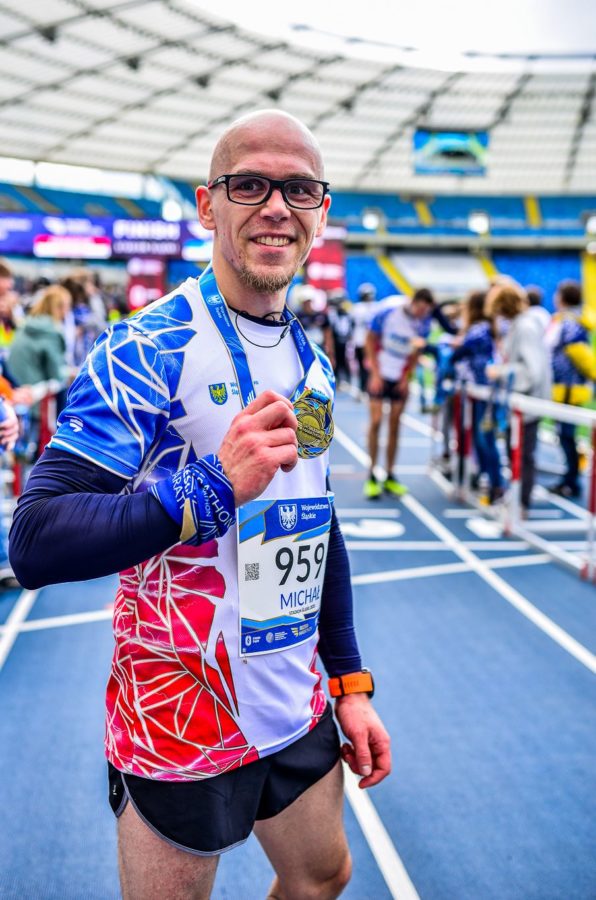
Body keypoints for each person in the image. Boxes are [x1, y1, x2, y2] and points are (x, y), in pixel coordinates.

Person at [9, 110, 391, 900]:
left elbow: (315, 522)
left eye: (299, 190)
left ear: (322, 214)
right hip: (179, 707)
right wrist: (211, 486)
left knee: (322, 877)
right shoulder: (145, 347)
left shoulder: (311, 362)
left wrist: (349, 682)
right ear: (207, 205)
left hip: (293, 698)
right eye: (249, 185)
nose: (276, 207)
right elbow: (36, 538)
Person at [485, 279, 551, 515]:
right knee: (515, 451)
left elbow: (533, 370)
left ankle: (522, 503)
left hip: (528, 401)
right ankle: (517, 498)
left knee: (523, 454)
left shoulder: (525, 327)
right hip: (522, 400)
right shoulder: (520, 324)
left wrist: (501, 372)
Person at [363, 287, 436, 498]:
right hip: (380, 371)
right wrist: (375, 373)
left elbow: (416, 351)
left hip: (400, 376)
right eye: (420, 309)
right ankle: (372, 474)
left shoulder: (424, 322)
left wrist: (407, 377)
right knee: (376, 421)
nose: (422, 314)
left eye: (426, 311)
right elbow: (370, 340)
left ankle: (390, 474)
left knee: (395, 424)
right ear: (413, 302)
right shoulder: (388, 310)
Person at [450, 291, 504, 504]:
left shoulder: (479, 330)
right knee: (482, 439)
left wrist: (453, 347)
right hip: (482, 390)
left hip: (484, 391)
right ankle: (488, 479)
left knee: (485, 439)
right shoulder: (485, 328)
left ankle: (496, 483)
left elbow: (459, 354)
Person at [545, 280, 596, 498]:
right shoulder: (566, 320)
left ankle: (572, 481)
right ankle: (570, 478)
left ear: (563, 298)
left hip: (569, 389)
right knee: (565, 435)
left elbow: (581, 355)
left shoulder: (569, 323)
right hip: (565, 387)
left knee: (567, 435)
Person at [351, 283, 377, 394]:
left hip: (362, 340)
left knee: (365, 366)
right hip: (365, 341)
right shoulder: (375, 307)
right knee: (368, 365)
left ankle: (365, 387)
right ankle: (366, 387)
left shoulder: (357, 308)